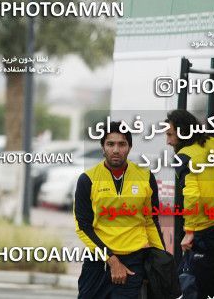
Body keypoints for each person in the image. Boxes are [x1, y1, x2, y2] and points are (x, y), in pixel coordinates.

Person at [74, 121, 165, 299]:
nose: (116, 150)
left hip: (133, 262)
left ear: (129, 147)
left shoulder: (145, 177)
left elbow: (151, 221)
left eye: (122, 144)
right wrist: (112, 260)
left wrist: (161, 259)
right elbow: (83, 227)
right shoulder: (87, 179)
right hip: (98, 262)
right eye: (110, 144)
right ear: (103, 147)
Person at [165, 109, 214, 298]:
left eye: (170, 134)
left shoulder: (184, 157)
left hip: (203, 228)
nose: (167, 141)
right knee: (206, 281)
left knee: (190, 283)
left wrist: (189, 231)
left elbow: (191, 196)